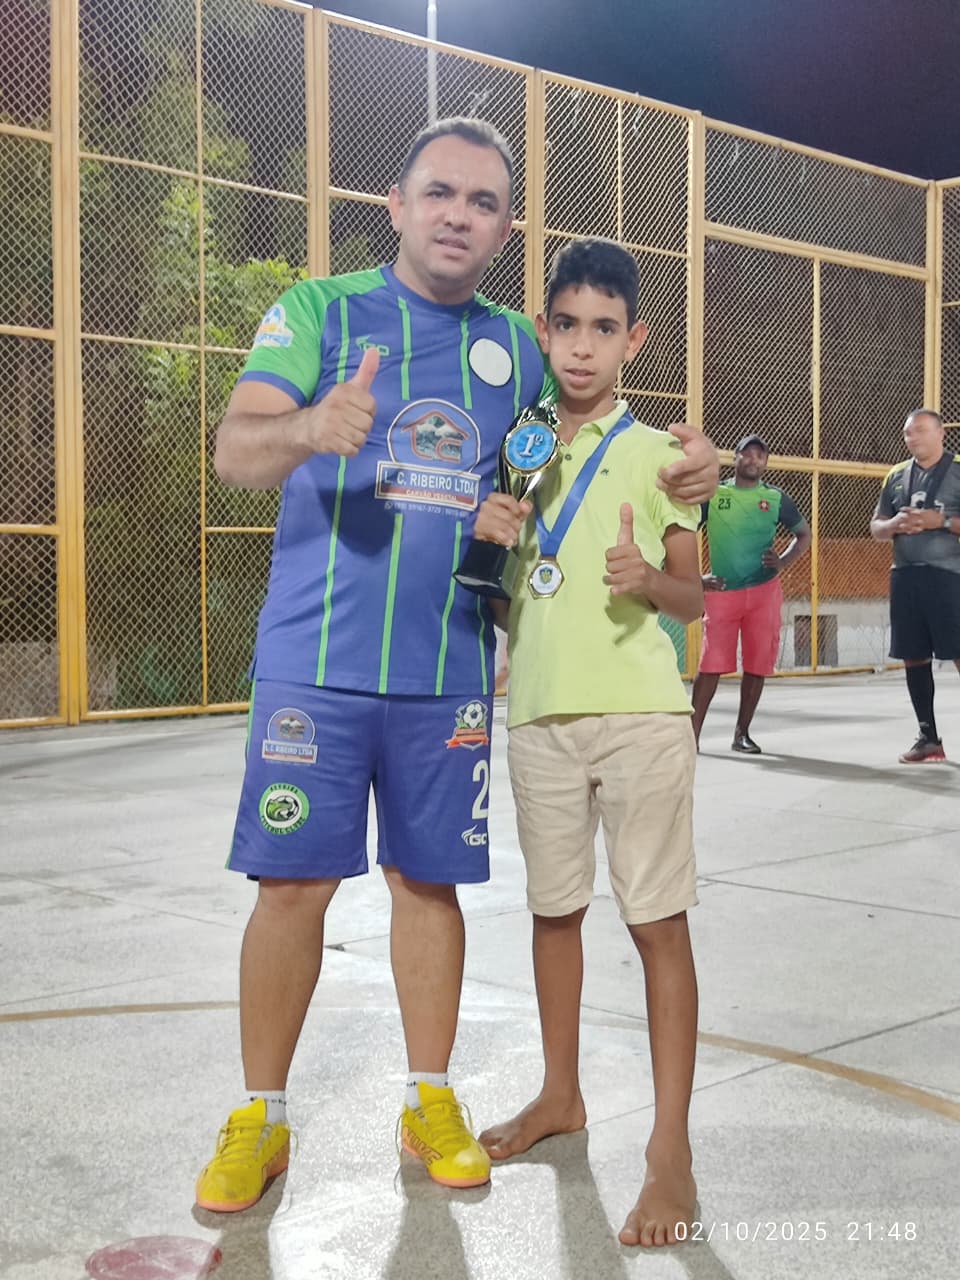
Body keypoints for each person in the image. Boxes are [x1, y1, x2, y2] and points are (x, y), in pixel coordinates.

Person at [195, 120, 721, 1213]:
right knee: (291, 886)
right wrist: (310, 425)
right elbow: (236, 449)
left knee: (426, 884)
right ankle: (261, 1114)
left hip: (448, 670)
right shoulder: (320, 311)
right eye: (438, 192)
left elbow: (597, 417)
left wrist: (699, 465)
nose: (457, 215)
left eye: (483, 202)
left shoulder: (519, 347)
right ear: (395, 203)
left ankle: (428, 1096)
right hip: (316, 661)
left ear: (505, 228)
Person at [469, 237, 706, 1248]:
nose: (580, 346)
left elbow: (694, 595)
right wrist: (489, 539)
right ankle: (560, 1092)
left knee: (656, 922)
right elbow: (505, 589)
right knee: (553, 912)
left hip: (641, 717)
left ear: (633, 340)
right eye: (565, 325)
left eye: (603, 328)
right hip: (539, 712)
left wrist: (646, 579)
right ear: (542, 330)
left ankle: (670, 1147)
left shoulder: (659, 456)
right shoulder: (516, 451)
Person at [691, 435, 811, 753]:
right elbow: (683, 532)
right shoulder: (715, 494)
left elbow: (803, 534)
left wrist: (782, 561)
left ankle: (741, 734)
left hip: (763, 592)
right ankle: (691, 736)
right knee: (711, 664)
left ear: (766, 463)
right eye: (748, 453)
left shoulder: (775, 498)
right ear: (736, 458)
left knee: (758, 664)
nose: (754, 459)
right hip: (722, 591)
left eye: (760, 455)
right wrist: (696, 578)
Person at [870, 408, 960, 762]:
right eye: (908, 433)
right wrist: (893, 524)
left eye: (921, 430)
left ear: (941, 433)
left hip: (949, 576)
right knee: (913, 655)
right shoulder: (896, 475)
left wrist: (943, 521)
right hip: (905, 575)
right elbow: (876, 527)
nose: (913, 438)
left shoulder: (957, 469)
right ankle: (928, 738)